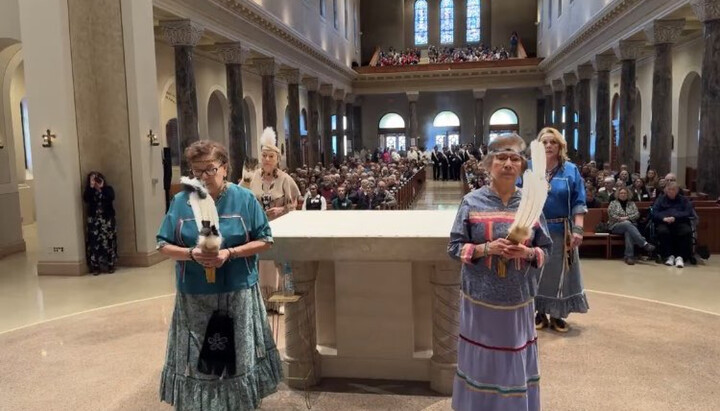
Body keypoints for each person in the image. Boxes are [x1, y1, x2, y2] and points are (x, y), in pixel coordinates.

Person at [156, 140, 282, 410]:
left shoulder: (244, 199)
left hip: (237, 290)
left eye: (210, 169)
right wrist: (191, 254)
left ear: (225, 168)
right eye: (196, 171)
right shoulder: (181, 201)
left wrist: (231, 253)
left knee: (237, 354)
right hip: (195, 294)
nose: (203, 177)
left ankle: (239, 403)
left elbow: (266, 240)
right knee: (199, 356)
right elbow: (163, 244)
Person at [448, 133, 551, 411]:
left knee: (512, 360)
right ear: (488, 164)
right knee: (481, 362)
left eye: (514, 159)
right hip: (480, 299)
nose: (508, 163)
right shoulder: (472, 201)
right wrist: (485, 249)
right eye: (501, 158)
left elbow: (546, 250)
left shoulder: (531, 203)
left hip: (517, 299)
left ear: (521, 166)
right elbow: (455, 247)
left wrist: (528, 253)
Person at [532, 127, 589, 333]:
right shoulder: (530, 168)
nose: (548, 145)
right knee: (537, 271)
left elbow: (578, 201)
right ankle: (538, 312)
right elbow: (520, 198)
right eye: (544, 142)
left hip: (562, 230)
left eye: (553, 142)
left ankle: (557, 314)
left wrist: (578, 228)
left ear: (560, 146)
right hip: (535, 230)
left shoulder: (570, 170)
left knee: (561, 274)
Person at [249, 128, 301, 313]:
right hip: (259, 226)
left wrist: (282, 209)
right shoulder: (254, 176)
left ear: (277, 159)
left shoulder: (285, 179)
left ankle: (281, 301)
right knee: (263, 264)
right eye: (264, 156)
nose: (267, 159)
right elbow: (244, 195)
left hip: (279, 225)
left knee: (280, 262)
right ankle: (263, 299)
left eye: (271, 156)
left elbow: (296, 201)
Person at [608, 187, 655, 265]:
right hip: (616, 225)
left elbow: (637, 214)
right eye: (621, 193)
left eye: (625, 193)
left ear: (628, 194)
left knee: (628, 232)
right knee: (627, 224)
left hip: (630, 226)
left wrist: (627, 218)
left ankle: (629, 257)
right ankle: (644, 244)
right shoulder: (613, 203)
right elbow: (611, 214)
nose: (623, 195)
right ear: (618, 194)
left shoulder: (632, 203)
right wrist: (620, 218)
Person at [653, 182, 695, 268]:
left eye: (673, 190)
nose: (671, 192)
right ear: (666, 190)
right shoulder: (660, 199)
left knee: (687, 231)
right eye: (669, 190)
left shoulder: (684, 200)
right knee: (662, 231)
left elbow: (688, 212)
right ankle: (669, 256)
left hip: (679, 222)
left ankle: (680, 257)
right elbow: (655, 212)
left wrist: (675, 217)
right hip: (664, 222)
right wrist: (663, 218)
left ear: (677, 191)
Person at [83, 172, 118, 275]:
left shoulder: (108, 189)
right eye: (93, 179)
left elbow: (111, 197)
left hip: (107, 220)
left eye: (98, 179)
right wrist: (91, 186)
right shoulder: (89, 191)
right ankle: (95, 266)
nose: (96, 181)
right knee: (94, 243)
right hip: (94, 220)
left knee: (109, 241)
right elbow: (86, 199)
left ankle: (110, 264)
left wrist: (101, 188)